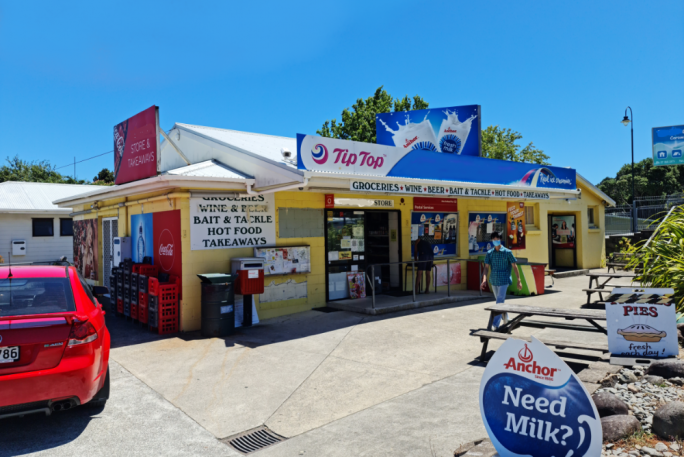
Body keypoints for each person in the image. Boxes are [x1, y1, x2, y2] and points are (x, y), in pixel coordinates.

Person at [481, 231, 522, 329]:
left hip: (504, 280)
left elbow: (514, 266)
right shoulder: (490, 253)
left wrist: (519, 280)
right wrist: (484, 279)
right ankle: (506, 320)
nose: (495, 241)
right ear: (491, 240)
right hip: (494, 280)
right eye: (494, 239)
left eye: (497, 239)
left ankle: (495, 325)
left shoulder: (507, 252)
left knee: (499, 302)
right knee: (500, 302)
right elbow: (486, 268)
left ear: (500, 240)